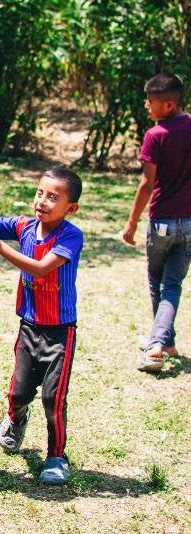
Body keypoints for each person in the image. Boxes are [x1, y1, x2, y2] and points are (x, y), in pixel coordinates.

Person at [0, 167, 84, 485]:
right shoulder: (24, 226)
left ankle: (56, 456)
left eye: (53, 197)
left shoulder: (70, 236)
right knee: (18, 391)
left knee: (53, 398)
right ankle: (16, 417)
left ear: (71, 208)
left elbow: (39, 269)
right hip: (29, 327)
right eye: (40, 193)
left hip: (60, 332)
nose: (43, 201)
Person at [121, 72, 190, 372]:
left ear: (169, 105)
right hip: (189, 223)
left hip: (161, 220)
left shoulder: (156, 135)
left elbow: (147, 184)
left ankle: (156, 347)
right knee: (172, 284)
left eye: (151, 102)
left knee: (158, 282)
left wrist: (132, 222)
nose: (147, 106)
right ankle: (166, 340)